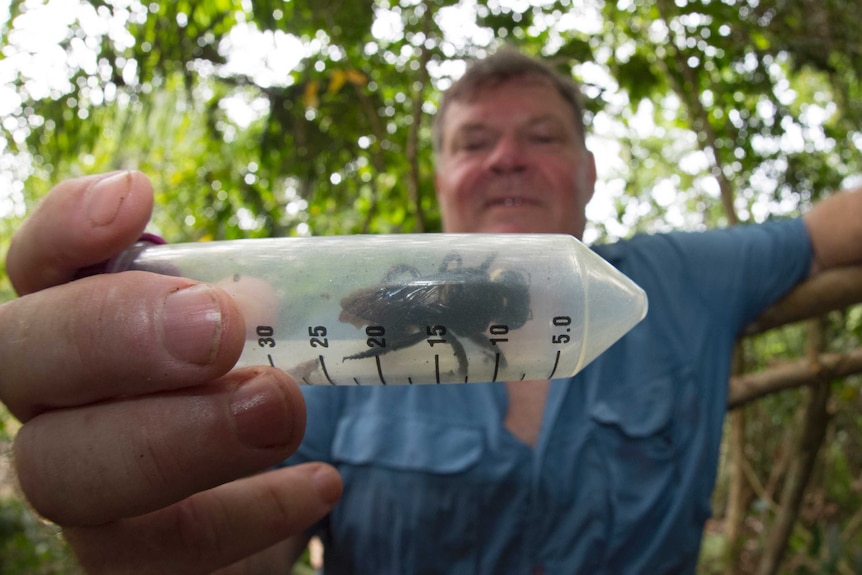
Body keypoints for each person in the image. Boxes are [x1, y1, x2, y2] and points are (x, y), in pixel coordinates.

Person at [0, 48, 858, 574]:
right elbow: (246, 540)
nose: (507, 160)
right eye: (473, 142)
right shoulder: (340, 316)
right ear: (441, 176)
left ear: (591, 172)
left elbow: (832, 231)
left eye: (543, 137)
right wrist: (154, 529)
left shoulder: (674, 278)